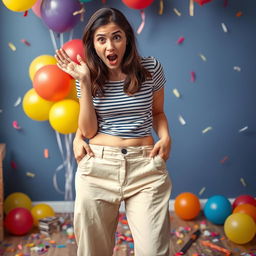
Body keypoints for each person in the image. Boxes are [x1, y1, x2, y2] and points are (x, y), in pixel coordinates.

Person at [55, 7, 172, 256]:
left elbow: (158, 113)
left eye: (116, 37)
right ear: (93, 44)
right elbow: (88, 129)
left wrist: (165, 136)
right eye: (102, 39)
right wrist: (85, 82)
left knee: (154, 251)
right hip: (99, 166)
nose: (111, 46)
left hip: (145, 167)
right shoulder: (86, 76)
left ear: (127, 37)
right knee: (92, 251)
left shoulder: (151, 69)